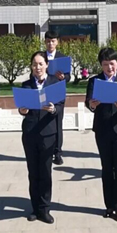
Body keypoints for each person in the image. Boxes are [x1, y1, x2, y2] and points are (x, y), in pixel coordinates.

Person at [85, 47, 117, 222]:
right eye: (105, 65)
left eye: (112, 64)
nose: (109, 68)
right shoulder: (94, 81)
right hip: (103, 130)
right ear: (101, 65)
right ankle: (109, 205)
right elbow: (88, 102)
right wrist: (92, 104)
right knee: (106, 169)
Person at [19, 52, 64, 224]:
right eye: (34, 64)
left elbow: (60, 106)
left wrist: (53, 109)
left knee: (45, 172)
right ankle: (35, 208)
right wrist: (22, 110)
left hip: (47, 133)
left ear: (46, 65)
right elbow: (22, 107)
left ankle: (44, 209)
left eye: (40, 64)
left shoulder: (55, 83)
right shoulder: (26, 85)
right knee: (33, 172)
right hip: (30, 133)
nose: (37, 67)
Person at [44, 30, 71, 166]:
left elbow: (68, 77)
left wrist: (63, 77)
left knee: (58, 122)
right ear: (45, 42)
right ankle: (45, 150)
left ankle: (58, 152)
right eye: (48, 41)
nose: (50, 44)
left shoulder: (62, 58)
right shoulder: (40, 57)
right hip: (43, 92)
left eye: (53, 41)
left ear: (57, 42)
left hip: (58, 92)